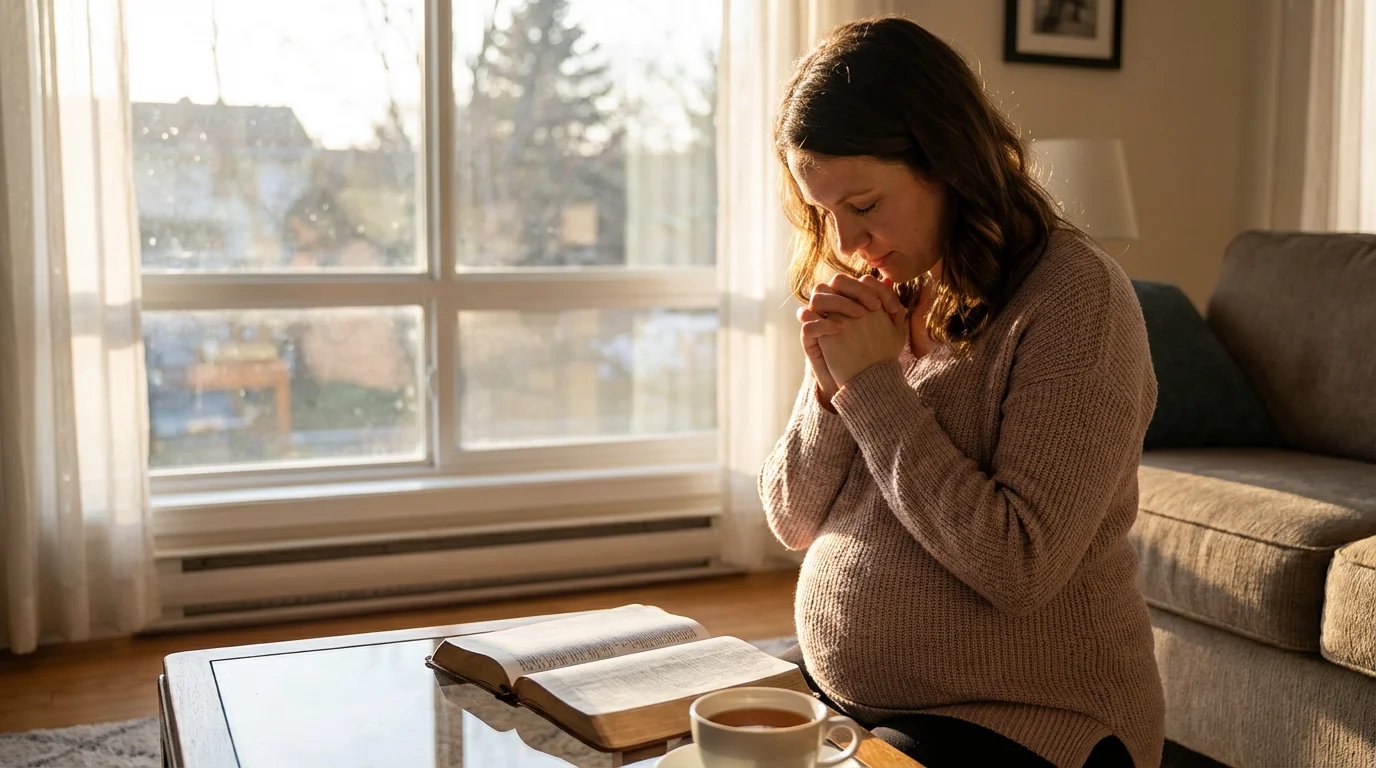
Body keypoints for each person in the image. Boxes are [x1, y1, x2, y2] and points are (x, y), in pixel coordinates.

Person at [760, 16, 1161, 768]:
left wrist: (874, 388)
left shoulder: (1076, 300)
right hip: (850, 696)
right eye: (825, 214)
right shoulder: (891, 288)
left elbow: (1020, 565)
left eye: (866, 206)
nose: (846, 244)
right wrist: (830, 388)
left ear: (947, 160)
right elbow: (790, 517)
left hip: (1031, 720)